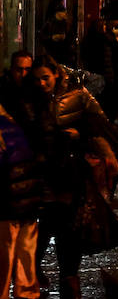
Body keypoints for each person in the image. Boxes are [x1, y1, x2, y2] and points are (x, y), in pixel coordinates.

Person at [22, 56, 118, 299]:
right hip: (45, 176)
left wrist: (81, 135)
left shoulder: (78, 96)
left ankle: (69, 279)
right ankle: (37, 270)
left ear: (56, 74)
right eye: (37, 79)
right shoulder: (30, 103)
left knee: (69, 229)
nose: (42, 83)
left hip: (71, 173)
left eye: (46, 77)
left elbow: (100, 123)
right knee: (45, 225)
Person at [0, 97, 44, 299]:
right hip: (23, 199)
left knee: (9, 257)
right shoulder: (12, 122)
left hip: (14, 200)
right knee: (20, 254)